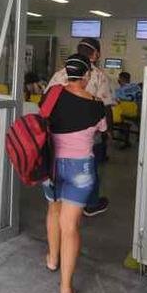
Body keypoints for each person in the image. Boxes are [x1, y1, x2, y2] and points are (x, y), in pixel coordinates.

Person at [42, 54, 107, 293]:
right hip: (80, 169)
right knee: (70, 226)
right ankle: (66, 289)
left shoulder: (52, 95)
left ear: (66, 73)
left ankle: (51, 259)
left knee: (53, 210)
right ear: (87, 76)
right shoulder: (96, 105)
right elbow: (102, 131)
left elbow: (43, 121)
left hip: (51, 165)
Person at [47, 38, 114, 217]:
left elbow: (46, 101)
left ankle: (60, 199)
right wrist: (108, 131)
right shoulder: (98, 75)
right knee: (90, 165)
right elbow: (105, 106)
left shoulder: (60, 74)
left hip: (57, 133)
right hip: (88, 133)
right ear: (96, 54)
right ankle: (90, 204)